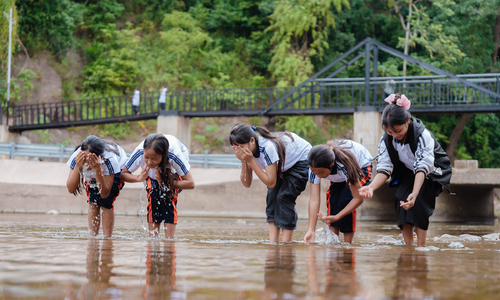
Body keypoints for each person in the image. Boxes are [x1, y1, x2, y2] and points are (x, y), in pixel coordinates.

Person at [359, 93, 452, 247]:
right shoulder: (386, 140)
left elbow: (423, 166)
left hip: (432, 169)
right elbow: (384, 168)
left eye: (398, 131)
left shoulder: (423, 135)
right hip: (408, 170)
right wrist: (371, 187)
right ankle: (409, 247)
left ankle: (421, 247)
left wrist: (415, 193)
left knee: (420, 201)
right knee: (401, 200)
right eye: (390, 132)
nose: (395, 135)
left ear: (408, 121)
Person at [229, 123, 311, 243]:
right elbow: (247, 183)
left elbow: (271, 183)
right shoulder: (248, 152)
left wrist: (250, 161)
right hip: (282, 164)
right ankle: (274, 243)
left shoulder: (267, 147)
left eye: (240, 146)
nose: (239, 150)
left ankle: (286, 244)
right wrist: (244, 161)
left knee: (284, 197)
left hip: (300, 159)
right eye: (235, 147)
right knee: (272, 198)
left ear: (252, 140)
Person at [120, 133, 195, 238]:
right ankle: (153, 239)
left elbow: (190, 183)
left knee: (168, 199)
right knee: (153, 198)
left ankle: (169, 241)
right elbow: (123, 174)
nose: (149, 162)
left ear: (163, 155)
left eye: (154, 158)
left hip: (172, 173)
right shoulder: (140, 152)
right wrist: (139, 178)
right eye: (146, 157)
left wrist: (166, 183)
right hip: (154, 175)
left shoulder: (175, 156)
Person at [304, 140, 372, 244]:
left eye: (321, 172)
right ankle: (333, 242)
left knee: (346, 198)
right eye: (314, 172)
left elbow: (358, 199)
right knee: (333, 200)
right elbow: (314, 199)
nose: (317, 175)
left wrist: (337, 217)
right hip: (338, 173)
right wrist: (311, 230)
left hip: (362, 166)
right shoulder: (314, 167)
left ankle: (347, 244)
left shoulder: (345, 166)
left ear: (331, 164)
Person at [66, 135, 127, 237]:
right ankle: (93, 237)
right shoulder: (77, 157)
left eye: (91, 160)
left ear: (101, 157)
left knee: (106, 203)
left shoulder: (110, 160)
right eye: (85, 160)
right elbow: (71, 189)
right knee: (93, 201)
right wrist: (78, 165)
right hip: (97, 167)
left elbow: (105, 194)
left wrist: (98, 170)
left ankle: (107, 239)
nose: (88, 164)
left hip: (117, 169)